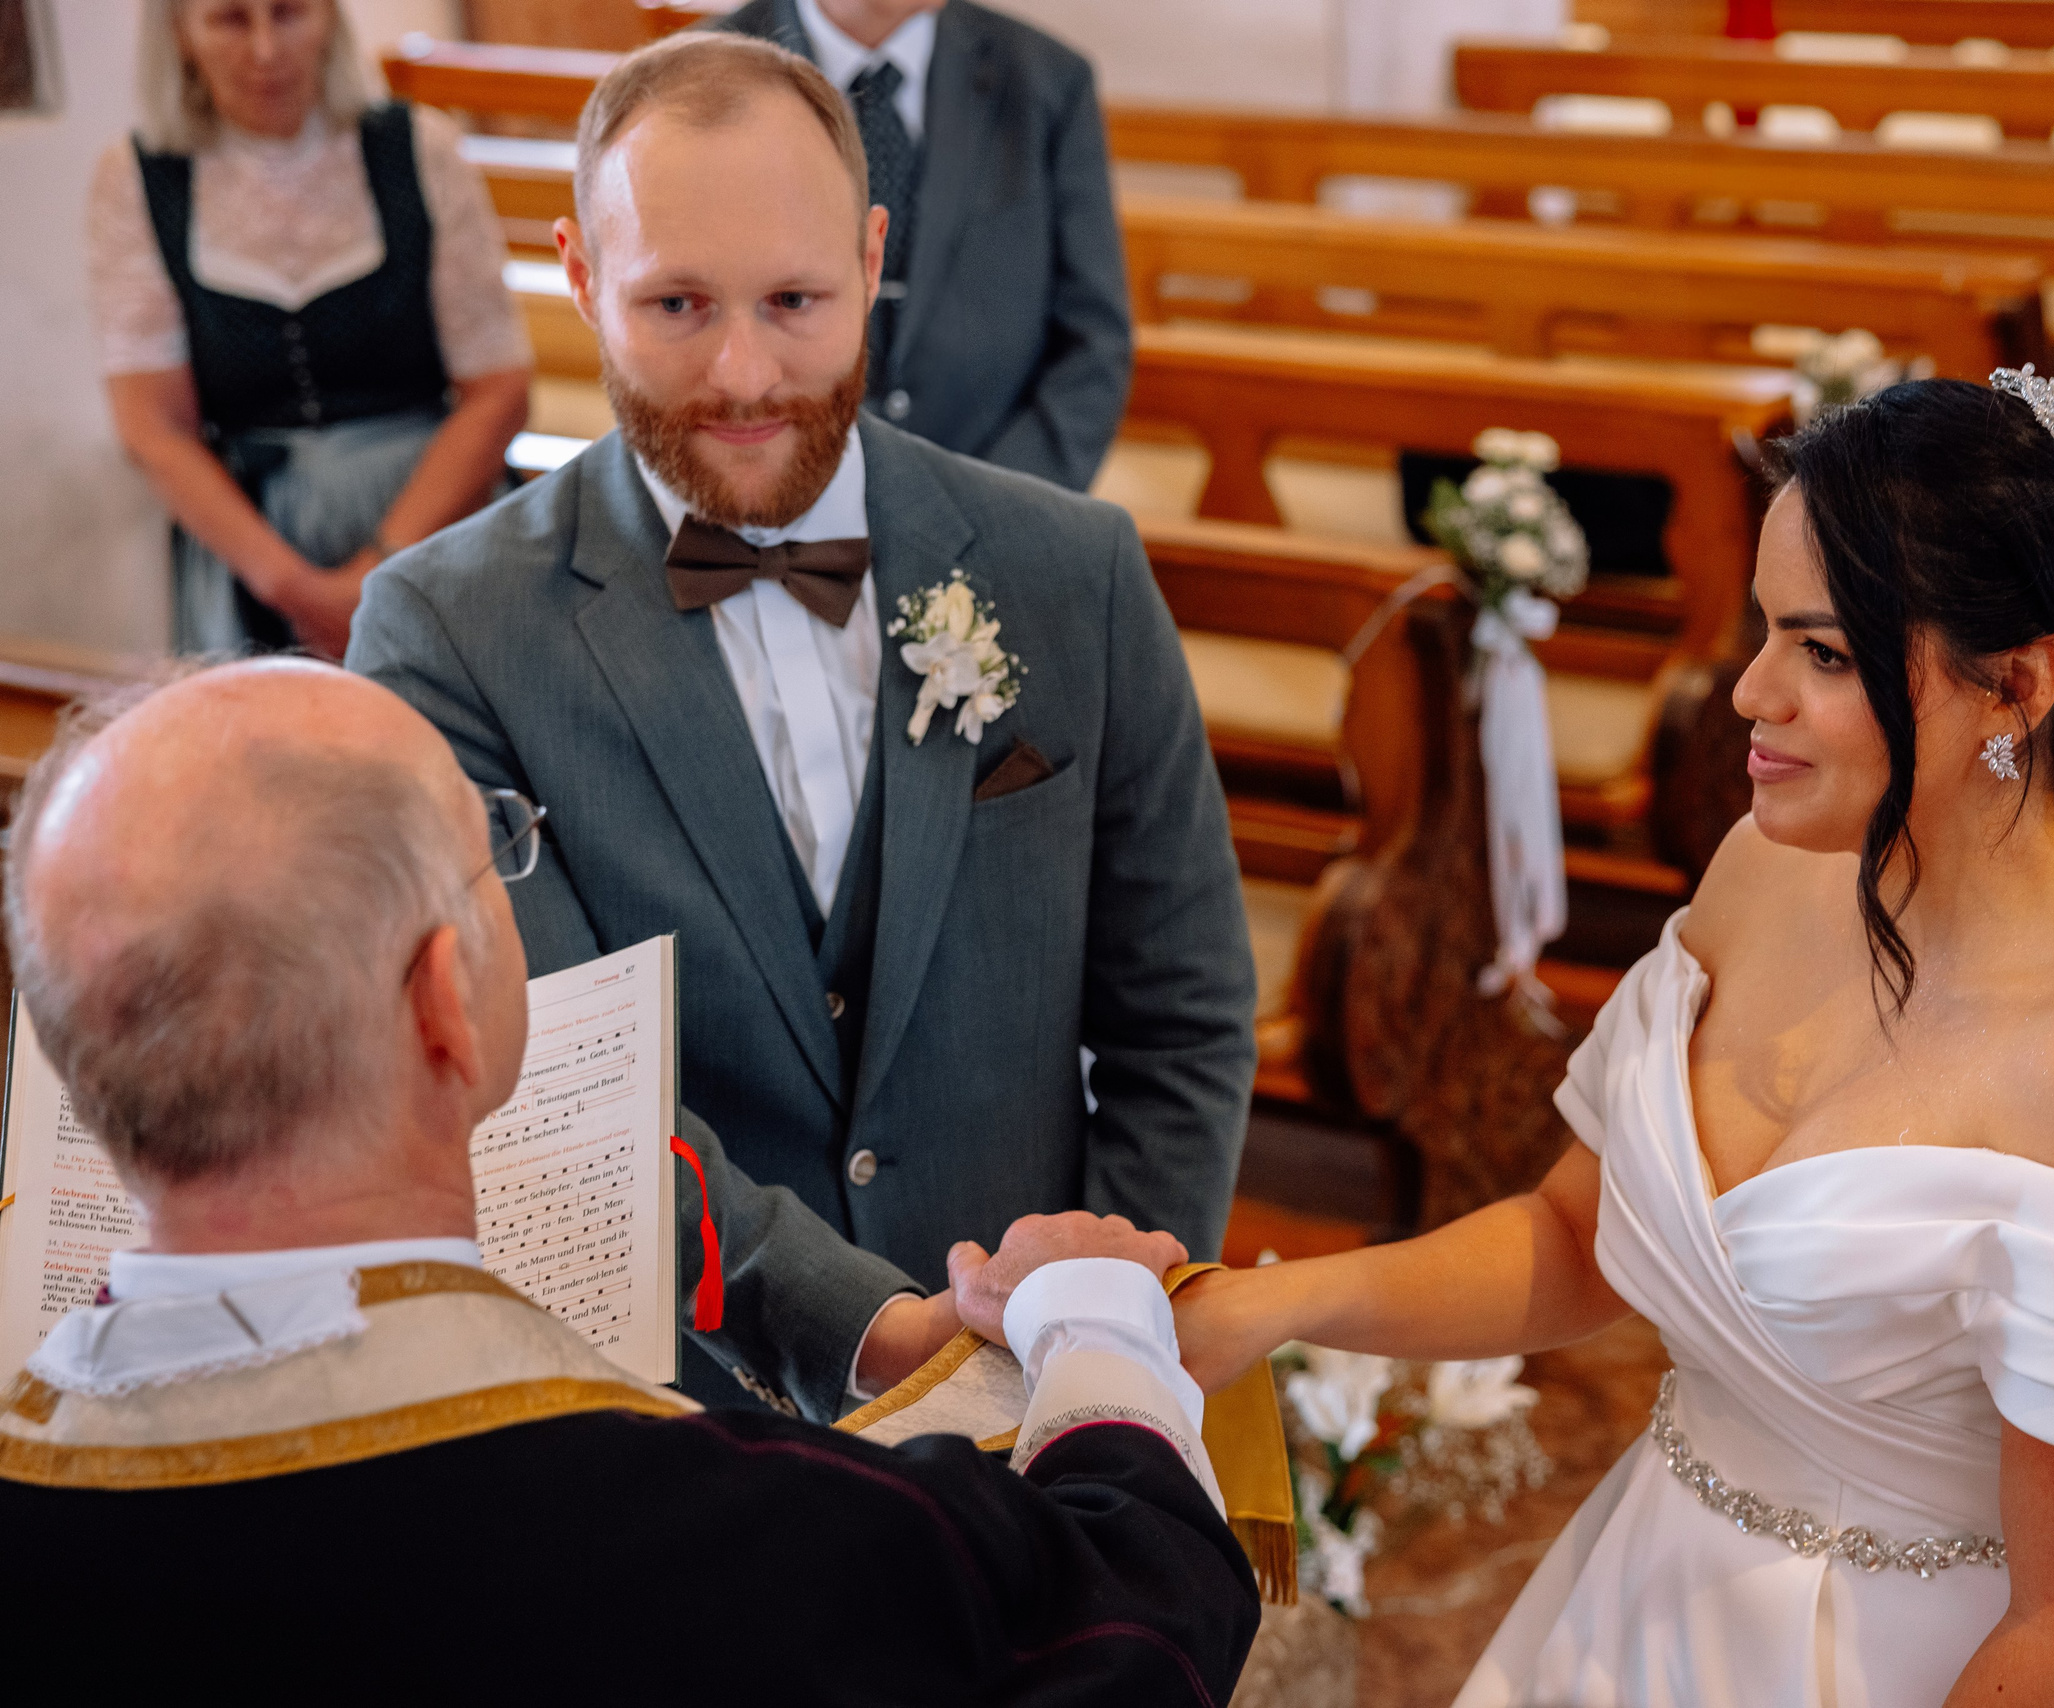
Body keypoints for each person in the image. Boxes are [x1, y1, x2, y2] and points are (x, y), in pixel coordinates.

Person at [1173, 376, 2054, 1706]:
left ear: (2014, 686)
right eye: (1764, 630)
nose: (1750, 691)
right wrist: (1282, 1305)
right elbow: (1581, 1239)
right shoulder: (1767, 867)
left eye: (1821, 653)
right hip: (1651, 1608)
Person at [0, 657, 1261, 1705]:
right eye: (490, 857)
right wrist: (1089, 1315)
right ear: (445, 1000)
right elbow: (1130, 1622)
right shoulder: (709, 1537)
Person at [345, 34, 1255, 1422]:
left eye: (794, 300)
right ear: (580, 276)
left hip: (1047, 1386)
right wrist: (874, 1336)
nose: (744, 372)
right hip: (677, 1424)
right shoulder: (445, 631)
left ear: (873, 257)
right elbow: (546, 1091)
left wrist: (1105, 1326)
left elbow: (1183, 1019)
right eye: (676, 304)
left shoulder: (1075, 573)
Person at [88, 0, 531, 657]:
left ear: (329, 18)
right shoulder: (138, 178)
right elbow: (153, 427)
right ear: (180, 33)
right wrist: (292, 589)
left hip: (436, 520)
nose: (266, 50)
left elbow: (499, 391)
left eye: (289, 13)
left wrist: (380, 568)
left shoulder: (419, 149)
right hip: (258, 550)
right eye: (230, 19)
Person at [710, 0, 1131, 492]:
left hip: (992, 493)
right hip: (764, 493)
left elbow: (1093, 342)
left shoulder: (1048, 80)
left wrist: (995, 505)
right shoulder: (698, 76)